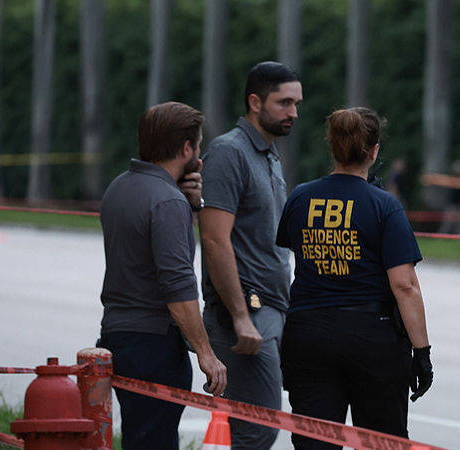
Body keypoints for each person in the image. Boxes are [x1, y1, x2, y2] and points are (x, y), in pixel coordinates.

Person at [276, 107, 433, 450]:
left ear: (331, 146)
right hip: (370, 336)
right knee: (381, 441)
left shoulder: (300, 197)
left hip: (308, 332)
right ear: (375, 150)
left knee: (314, 443)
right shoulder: (384, 206)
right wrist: (421, 352)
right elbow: (404, 285)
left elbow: (290, 251)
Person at [98, 101, 227, 450]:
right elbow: (177, 287)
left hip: (118, 334)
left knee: (142, 437)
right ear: (186, 148)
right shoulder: (167, 201)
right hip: (154, 344)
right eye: (197, 146)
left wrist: (191, 205)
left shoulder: (119, 188)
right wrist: (206, 353)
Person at [198, 61, 303, 450]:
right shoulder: (229, 152)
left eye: (297, 103)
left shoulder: (268, 155)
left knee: (259, 428)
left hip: (271, 309)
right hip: (245, 315)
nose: (293, 112)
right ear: (255, 102)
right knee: (255, 430)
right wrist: (241, 316)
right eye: (284, 102)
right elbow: (213, 240)